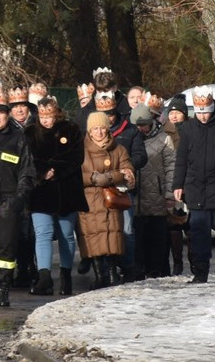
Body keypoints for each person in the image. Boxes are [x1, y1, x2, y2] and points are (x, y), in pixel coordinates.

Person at [172, 86, 215, 283]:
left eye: (206, 112)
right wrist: (178, 184)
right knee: (199, 235)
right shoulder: (189, 129)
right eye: (199, 112)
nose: (203, 116)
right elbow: (181, 158)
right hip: (196, 190)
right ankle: (200, 273)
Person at [0, 84, 35, 307]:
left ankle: (3, 289)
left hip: (8, 201)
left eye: (1, 112)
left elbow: (26, 171)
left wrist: (18, 198)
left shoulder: (18, 138)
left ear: (7, 113)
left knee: (5, 249)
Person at [25, 97, 87, 296]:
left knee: (66, 235)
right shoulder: (30, 133)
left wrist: (56, 170)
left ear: (56, 113)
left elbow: (76, 156)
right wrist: (42, 172)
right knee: (42, 233)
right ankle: (44, 277)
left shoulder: (71, 129)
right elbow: (26, 159)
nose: (46, 120)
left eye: (49, 116)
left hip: (66, 190)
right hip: (40, 191)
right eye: (42, 116)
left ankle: (65, 276)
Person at [94, 90, 147, 283]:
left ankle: (127, 266)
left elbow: (141, 155)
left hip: (122, 189)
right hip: (99, 189)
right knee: (104, 230)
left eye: (110, 113)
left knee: (126, 230)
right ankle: (107, 269)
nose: (107, 118)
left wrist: (127, 167)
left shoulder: (129, 130)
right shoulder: (92, 133)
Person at [79, 111, 135, 289]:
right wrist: (94, 179)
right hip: (89, 200)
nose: (99, 132)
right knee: (93, 237)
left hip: (111, 200)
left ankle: (112, 273)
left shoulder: (118, 149)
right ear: (89, 130)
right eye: (95, 128)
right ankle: (98, 274)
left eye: (102, 128)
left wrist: (111, 177)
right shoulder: (81, 149)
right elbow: (75, 174)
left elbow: (128, 171)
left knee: (112, 235)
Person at [131, 100, 176, 280]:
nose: (141, 129)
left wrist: (169, 194)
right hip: (135, 198)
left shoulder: (164, 139)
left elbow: (171, 167)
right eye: (138, 125)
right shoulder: (130, 139)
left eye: (144, 125)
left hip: (156, 196)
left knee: (157, 237)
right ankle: (138, 268)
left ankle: (157, 269)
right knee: (137, 237)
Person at [6, 84, 38, 288]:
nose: (19, 110)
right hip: (12, 183)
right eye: (15, 106)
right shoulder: (7, 129)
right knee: (16, 229)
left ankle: (30, 266)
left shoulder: (36, 126)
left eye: (22, 105)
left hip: (34, 182)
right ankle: (20, 266)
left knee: (31, 230)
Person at [163, 94, 189, 275]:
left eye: (178, 112)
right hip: (172, 183)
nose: (174, 116)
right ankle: (177, 261)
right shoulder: (165, 132)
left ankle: (194, 260)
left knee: (190, 224)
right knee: (173, 225)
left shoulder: (190, 130)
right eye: (171, 112)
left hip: (189, 183)